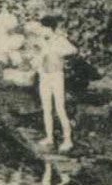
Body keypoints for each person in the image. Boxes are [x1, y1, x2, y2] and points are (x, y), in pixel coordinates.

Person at [27, 14, 77, 152]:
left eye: (43, 27)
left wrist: (58, 51)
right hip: (45, 76)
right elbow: (36, 57)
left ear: (49, 28)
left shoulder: (59, 39)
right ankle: (49, 137)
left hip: (56, 76)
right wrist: (37, 60)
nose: (41, 30)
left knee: (60, 108)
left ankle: (68, 140)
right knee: (47, 109)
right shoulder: (41, 41)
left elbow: (73, 50)